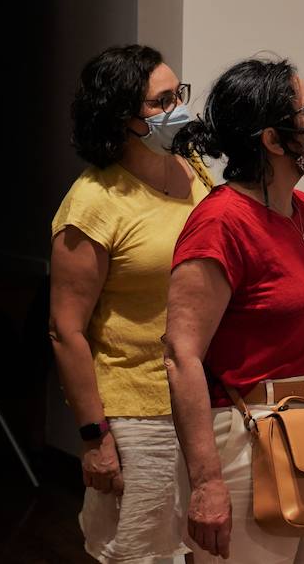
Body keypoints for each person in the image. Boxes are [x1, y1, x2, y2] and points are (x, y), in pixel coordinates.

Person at [163, 56, 304, 563]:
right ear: (273, 141)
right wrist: (206, 481)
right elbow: (180, 356)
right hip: (247, 439)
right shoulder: (220, 223)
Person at [49, 44, 211, 564]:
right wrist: (95, 437)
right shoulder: (94, 202)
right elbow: (65, 330)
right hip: (138, 414)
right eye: (162, 101)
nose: (178, 110)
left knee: (199, 548)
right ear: (122, 118)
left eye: (178, 94)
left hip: (203, 399)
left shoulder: (194, 171)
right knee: (140, 553)